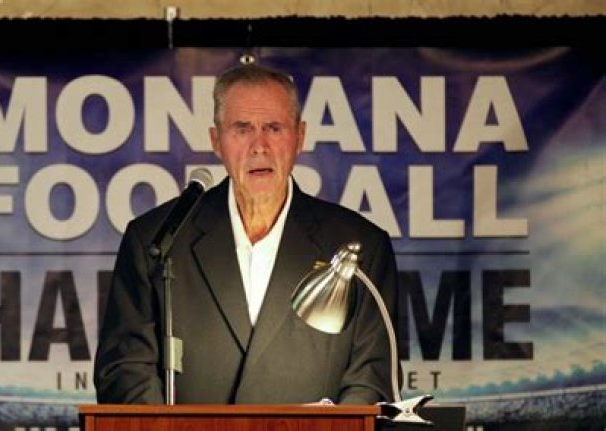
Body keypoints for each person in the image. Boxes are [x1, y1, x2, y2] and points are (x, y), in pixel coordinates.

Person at [94, 63, 399, 404]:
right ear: (216, 141)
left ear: (299, 137)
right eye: (242, 129)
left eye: (274, 128)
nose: (259, 146)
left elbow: (371, 383)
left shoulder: (360, 246)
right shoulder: (158, 239)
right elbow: (125, 373)